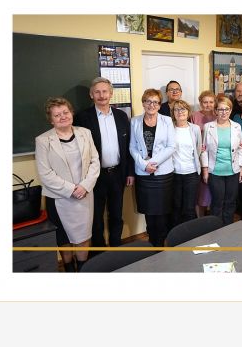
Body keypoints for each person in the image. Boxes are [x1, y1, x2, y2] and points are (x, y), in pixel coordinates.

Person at [35, 97, 100, 272]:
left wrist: (84, 186)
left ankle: (83, 270)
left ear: (71, 113)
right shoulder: (43, 140)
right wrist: (72, 189)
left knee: (83, 235)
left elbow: (95, 161)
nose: (63, 117)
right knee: (63, 238)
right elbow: (45, 174)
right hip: (59, 198)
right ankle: (69, 269)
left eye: (65, 112)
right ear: (51, 120)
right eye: (57, 115)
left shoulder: (85, 133)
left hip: (85, 194)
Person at [73, 77, 135, 249]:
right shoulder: (82, 118)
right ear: (91, 95)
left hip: (118, 174)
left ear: (111, 93)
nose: (102, 95)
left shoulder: (122, 116)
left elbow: (128, 146)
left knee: (116, 214)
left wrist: (130, 172)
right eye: (97, 92)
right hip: (94, 176)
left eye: (105, 91)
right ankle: (98, 253)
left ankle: (116, 248)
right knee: (96, 218)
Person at [129, 89, 176, 247]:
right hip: (143, 174)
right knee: (149, 213)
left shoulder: (167, 121)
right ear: (143, 103)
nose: (152, 105)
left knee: (162, 213)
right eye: (148, 101)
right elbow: (132, 146)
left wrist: (153, 163)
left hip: (163, 174)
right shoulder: (135, 121)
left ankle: (160, 246)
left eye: (155, 102)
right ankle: (151, 243)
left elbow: (171, 146)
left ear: (159, 105)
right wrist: (144, 165)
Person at [201, 96, 242, 225]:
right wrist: (205, 170)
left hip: (233, 171)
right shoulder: (208, 127)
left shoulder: (237, 126)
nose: (224, 112)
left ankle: (228, 228)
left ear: (231, 110)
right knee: (217, 202)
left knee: (230, 202)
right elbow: (204, 150)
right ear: (215, 111)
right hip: (215, 171)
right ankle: (216, 229)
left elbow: (241, 149)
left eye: (227, 109)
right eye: (220, 109)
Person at [171, 99, 202, 226]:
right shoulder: (169, 128)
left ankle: (189, 235)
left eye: (183, 109)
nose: (180, 112)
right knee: (176, 207)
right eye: (177, 109)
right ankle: (175, 235)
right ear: (173, 113)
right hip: (174, 174)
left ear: (188, 112)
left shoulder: (195, 129)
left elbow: (198, 149)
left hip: (192, 173)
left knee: (189, 207)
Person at [190, 90, 216, 216]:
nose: (208, 105)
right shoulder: (194, 116)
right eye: (205, 102)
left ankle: (212, 217)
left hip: (214, 157)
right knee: (201, 191)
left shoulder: (218, 115)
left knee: (213, 189)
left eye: (211, 102)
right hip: (199, 157)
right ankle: (200, 219)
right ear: (200, 103)